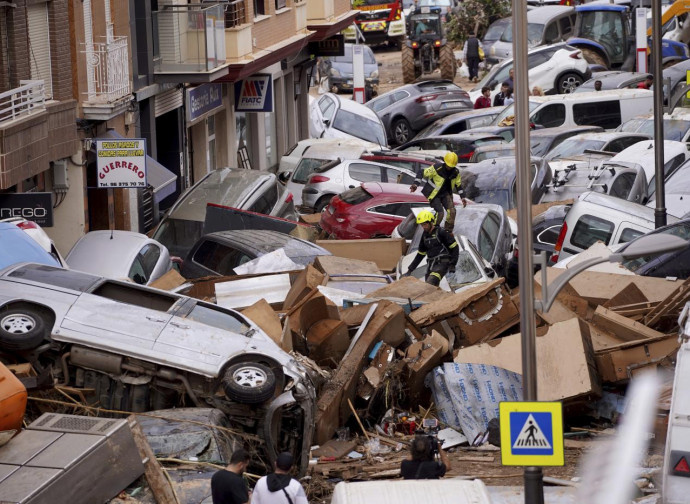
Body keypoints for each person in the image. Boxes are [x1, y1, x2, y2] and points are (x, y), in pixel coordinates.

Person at [409, 152, 467, 233]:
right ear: (445, 162)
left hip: (446, 194)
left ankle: (448, 231)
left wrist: (463, 197)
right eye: (448, 165)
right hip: (434, 194)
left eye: (451, 166)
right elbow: (422, 172)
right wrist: (416, 184)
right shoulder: (436, 168)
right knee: (440, 213)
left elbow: (459, 186)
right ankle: (434, 230)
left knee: (452, 211)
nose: (449, 168)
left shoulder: (455, 172)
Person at [403, 210, 460, 286]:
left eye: (425, 224)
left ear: (431, 222)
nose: (423, 227)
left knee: (431, 282)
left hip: (442, 264)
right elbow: (420, 254)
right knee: (429, 288)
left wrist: (453, 264)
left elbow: (455, 247)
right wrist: (410, 270)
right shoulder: (424, 236)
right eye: (422, 225)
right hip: (431, 265)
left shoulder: (441, 232)